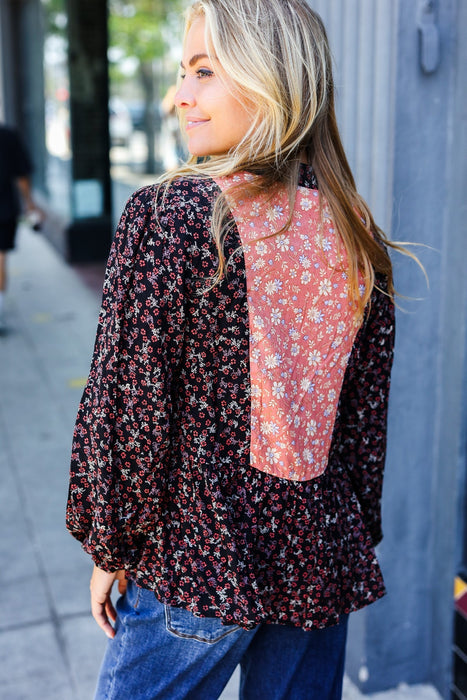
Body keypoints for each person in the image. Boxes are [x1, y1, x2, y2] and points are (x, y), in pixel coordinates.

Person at [66, 1, 407, 697]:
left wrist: (110, 545)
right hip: (317, 557)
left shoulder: (171, 216)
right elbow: (362, 422)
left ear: (271, 81)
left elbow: (128, 409)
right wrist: (350, 532)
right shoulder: (351, 226)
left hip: (197, 560)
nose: (178, 94)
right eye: (180, 73)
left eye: (202, 70)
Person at [0, 122, 43, 332]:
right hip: (4, 208)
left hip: (5, 208)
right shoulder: (7, 135)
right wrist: (29, 203)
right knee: (0, 257)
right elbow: (21, 175)